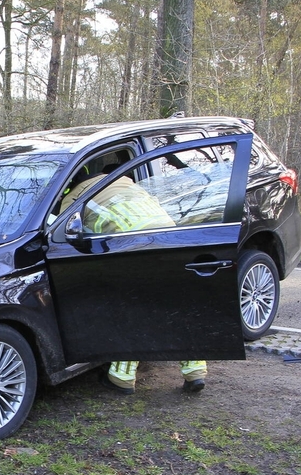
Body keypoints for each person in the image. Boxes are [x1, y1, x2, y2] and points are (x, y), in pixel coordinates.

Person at [60, 164, 207, 395]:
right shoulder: (123, 180)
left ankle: (122, 377)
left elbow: (60, 236)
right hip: (174, 241)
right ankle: (195, 371)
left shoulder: (75, 198)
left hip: (137, 249)